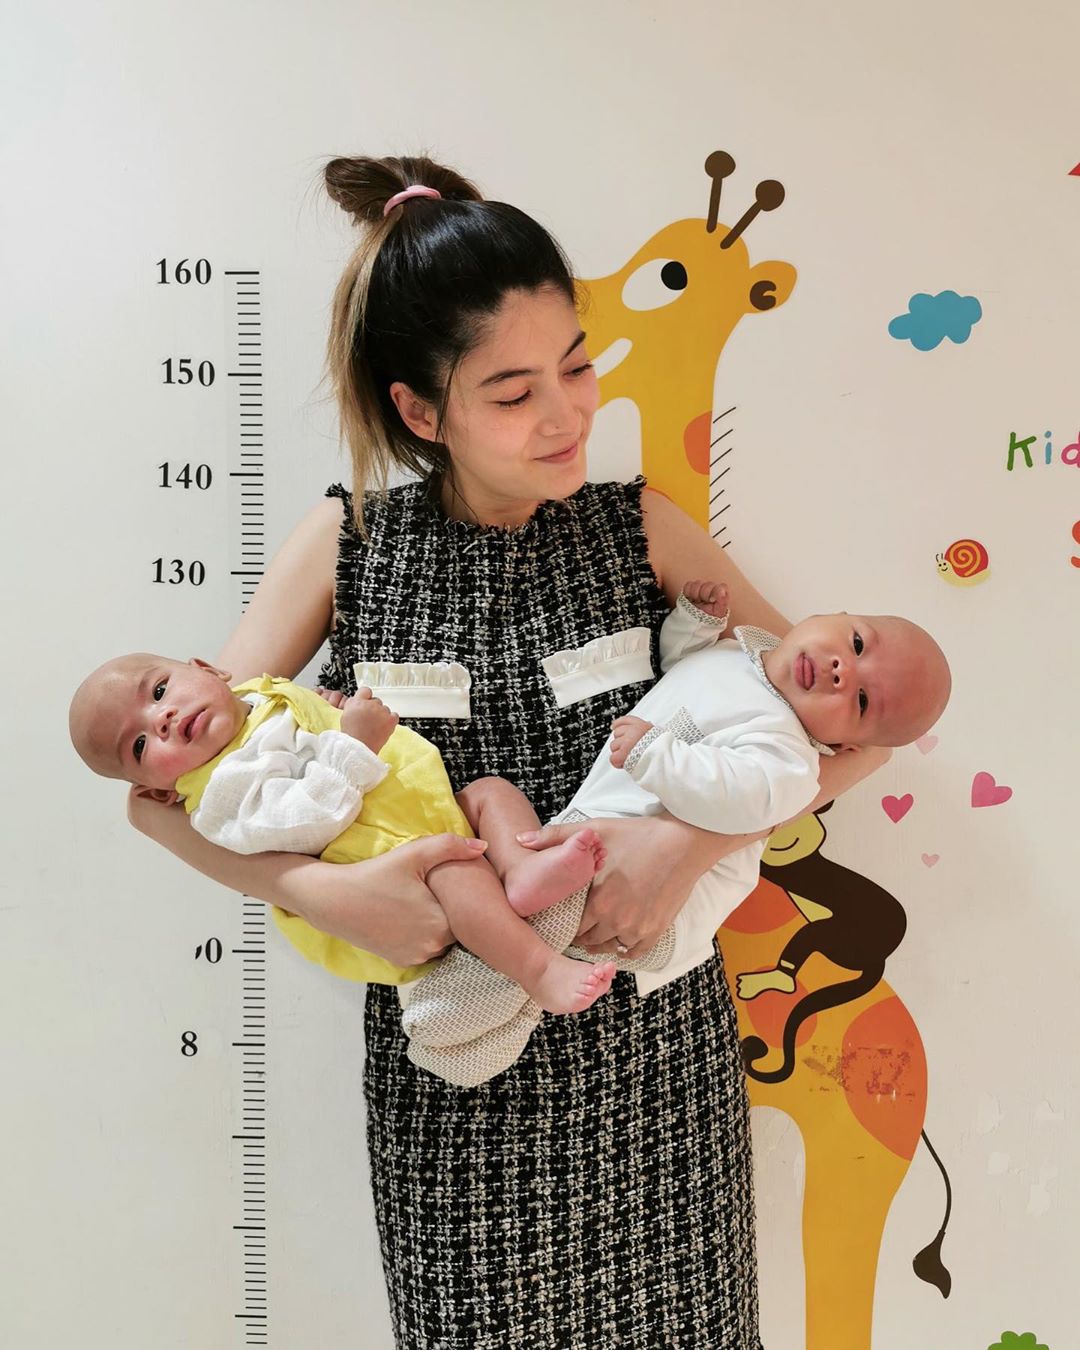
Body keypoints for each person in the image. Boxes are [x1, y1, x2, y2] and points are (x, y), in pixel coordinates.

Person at [127, 153, 892, 1348]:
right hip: (453, 1080)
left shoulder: (641, 529)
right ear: (420, 412)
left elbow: (859, 731)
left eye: (578, 366)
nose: (568, 413)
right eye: (514, 390)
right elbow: (159, 799)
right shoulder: (348, 545)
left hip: (655, 1059)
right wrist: (323, 893)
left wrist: (687, 847)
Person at [69, 654, 616, 1013]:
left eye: (159, 689)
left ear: (209, 668)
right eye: (139, 745)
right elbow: (301, 820)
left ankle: (521, 871)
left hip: (421, 808)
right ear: (159, 792)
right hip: (382, 860)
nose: (161, 718)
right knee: (459, 868)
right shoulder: (218, 795)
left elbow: (303, 726)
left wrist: (324, 708)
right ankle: (539, 970)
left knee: (492, 793)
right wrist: (353, 743)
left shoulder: (259, 698)